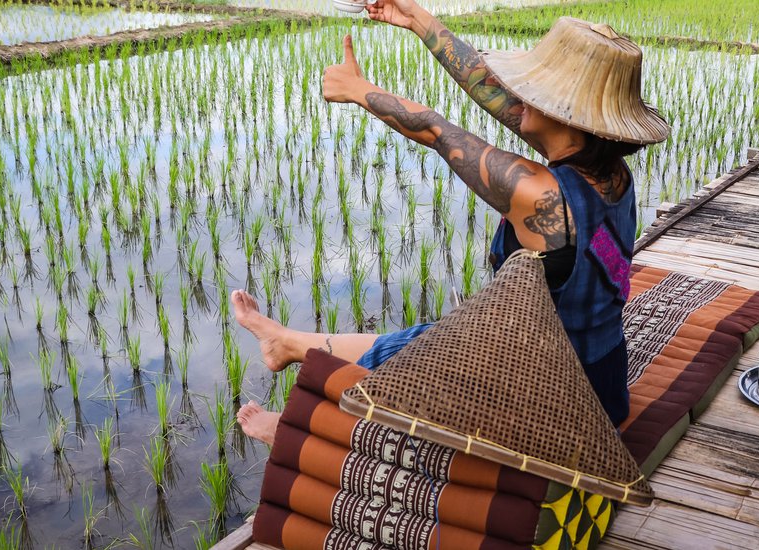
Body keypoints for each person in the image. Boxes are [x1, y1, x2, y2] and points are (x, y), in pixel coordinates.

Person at [234, 0, 669, 445]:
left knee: (416, 359)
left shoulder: (538, 194)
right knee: (432, 334)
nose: (516, 97)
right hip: (600, 382)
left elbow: (435, 130)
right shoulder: (609, 171)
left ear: (562, 114)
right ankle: (285, 342)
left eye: (531, 93)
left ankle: (290, 430)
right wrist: (415, 18)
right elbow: (488, 88)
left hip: (550, 398)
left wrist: (357, 88)